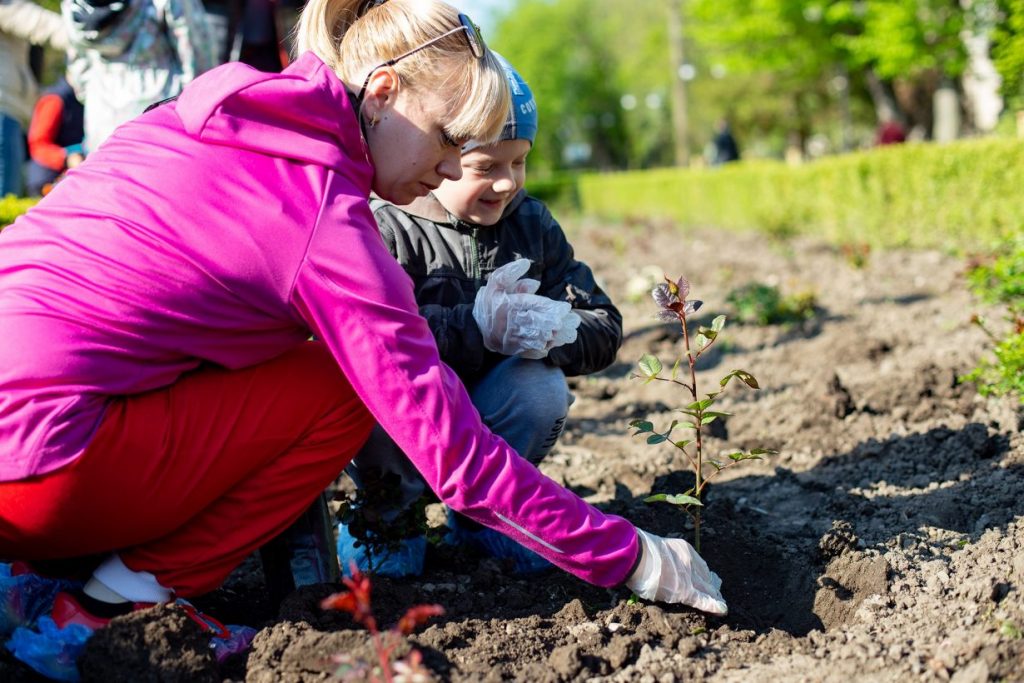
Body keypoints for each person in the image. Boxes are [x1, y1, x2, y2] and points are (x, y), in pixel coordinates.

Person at [0, 0, 726, 668]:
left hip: (19, 453)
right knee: (340, 382)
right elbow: (461, 465)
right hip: (43, 470)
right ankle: (108, 605)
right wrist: (631, 556)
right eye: (447, 140)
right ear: (380, 94)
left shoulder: (215, 112)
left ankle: (30, 573)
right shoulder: (327, 223)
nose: (450, 168)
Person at [338, 54, 624, 578]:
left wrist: (551, 330)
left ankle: (487, 519)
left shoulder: (532, 224)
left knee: (540, 387)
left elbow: (603, 324)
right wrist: (478, 327)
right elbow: (377, 345)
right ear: (442, 159)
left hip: (487, 410)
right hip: (411, 418)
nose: (506, 184)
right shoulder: (390, 226)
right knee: (370, 401)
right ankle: (387, 519)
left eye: (519, 163)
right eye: (485, 167)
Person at [62, 0, 217, 153]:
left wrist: (91, 97)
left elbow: (78, 67)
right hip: (161, 114)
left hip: (101, 119)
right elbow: (195, 50)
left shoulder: (73, 5)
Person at [0, 0, 68, 197]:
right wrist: (91, 35)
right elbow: (41, 24)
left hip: (9, 109)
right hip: (4, 110)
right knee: (5, 198)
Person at [25, 75, 85, 196]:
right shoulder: (54, 99)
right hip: (47, 181)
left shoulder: (86, 99)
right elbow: (38, 144)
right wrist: (66, 158)